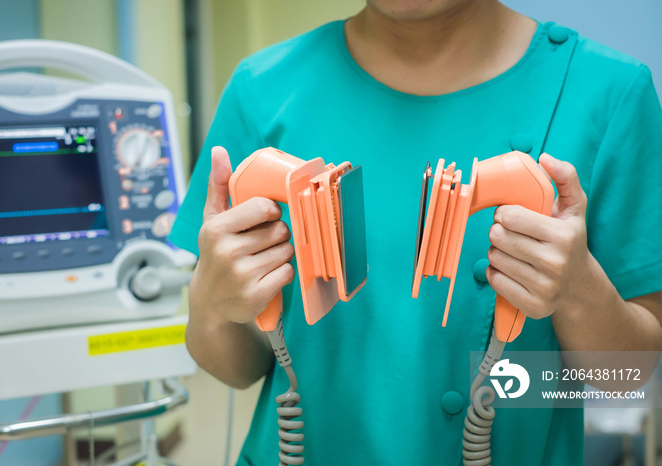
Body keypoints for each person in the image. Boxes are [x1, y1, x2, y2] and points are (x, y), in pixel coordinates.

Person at [169, 0, 662, 464]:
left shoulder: (608, 91)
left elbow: (622, 376)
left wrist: (578, 294)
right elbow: (237, 369)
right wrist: (213, 305)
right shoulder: (263, 89)